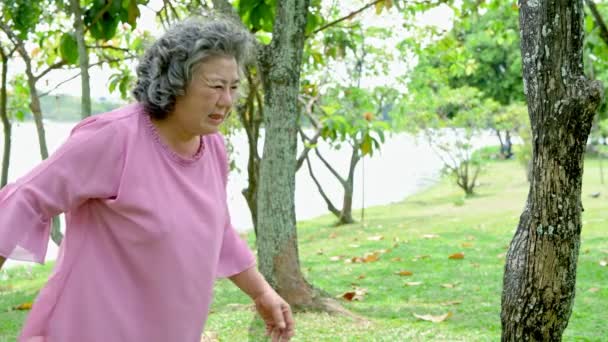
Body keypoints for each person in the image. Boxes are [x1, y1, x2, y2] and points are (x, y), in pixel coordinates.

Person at [0, 16, 294, 342]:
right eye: (215, 86)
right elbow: (25, 197)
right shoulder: (115, 137)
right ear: (175, 81)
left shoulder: (212, 147)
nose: (226, 100)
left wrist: (262, 293)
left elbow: (218, 230)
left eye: (234, 87)